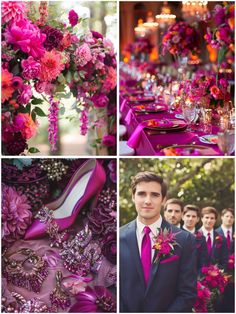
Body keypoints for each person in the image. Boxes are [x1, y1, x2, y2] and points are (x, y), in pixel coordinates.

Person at [120, 172, 197, 313]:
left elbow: (187, 294)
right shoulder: (118, 237)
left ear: (163, 199)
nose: (148, 201)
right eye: (142, 194)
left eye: (155, 195)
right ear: (133, 197)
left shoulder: (185, 240)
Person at [216, 208, 235, 313]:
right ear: (222, 217)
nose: (229, 219)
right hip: (219, 272)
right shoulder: (216, 233)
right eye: (227, 216)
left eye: (232, 217)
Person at [182, 204, 208, 272]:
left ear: (198, 219)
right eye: (188, 216)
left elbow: (203, 260)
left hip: (195, 276)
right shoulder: (176, 234)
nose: (190, 219)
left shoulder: (202, 238)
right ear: (182, 217)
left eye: (194, 216)